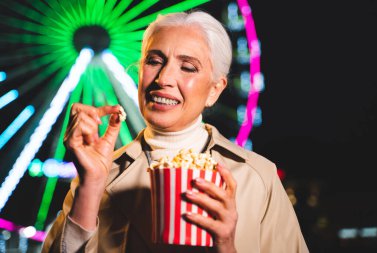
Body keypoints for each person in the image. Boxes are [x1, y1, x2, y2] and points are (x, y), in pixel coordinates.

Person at [42, 11, 309, 253]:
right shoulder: (99, 175)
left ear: (215, 90)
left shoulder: (257, 178)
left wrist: (226, 245)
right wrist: (90, 186)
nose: (164, 79)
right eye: (154, 61)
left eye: (188, 67)